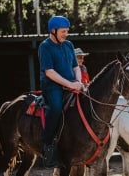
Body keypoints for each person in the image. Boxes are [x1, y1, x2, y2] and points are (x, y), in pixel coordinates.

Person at [38, 15, 83, 167]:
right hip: (53, 86)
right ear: (53, 31)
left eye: (67, 31)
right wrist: (70, 85)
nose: (66, 34)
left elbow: (76, 67)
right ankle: (48, 146)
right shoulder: (45, 46)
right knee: (56, 108)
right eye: (63, 31)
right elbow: (49, 72)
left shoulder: (69, 44)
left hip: (71, 83)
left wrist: (78, 81)